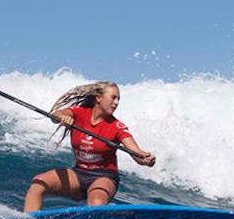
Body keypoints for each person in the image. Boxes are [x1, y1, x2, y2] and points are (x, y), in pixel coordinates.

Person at [23, 81, 155, 212]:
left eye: (118, 99)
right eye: (113, 98)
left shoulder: (117, 127)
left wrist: (145, 158)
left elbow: (135, 152)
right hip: (79, 173)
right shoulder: (79, 113)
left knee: (96, 201)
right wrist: (63, 117)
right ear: (99, 98)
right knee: (38, 183)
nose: (116, 103)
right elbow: (56, 115)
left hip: (104, 177)